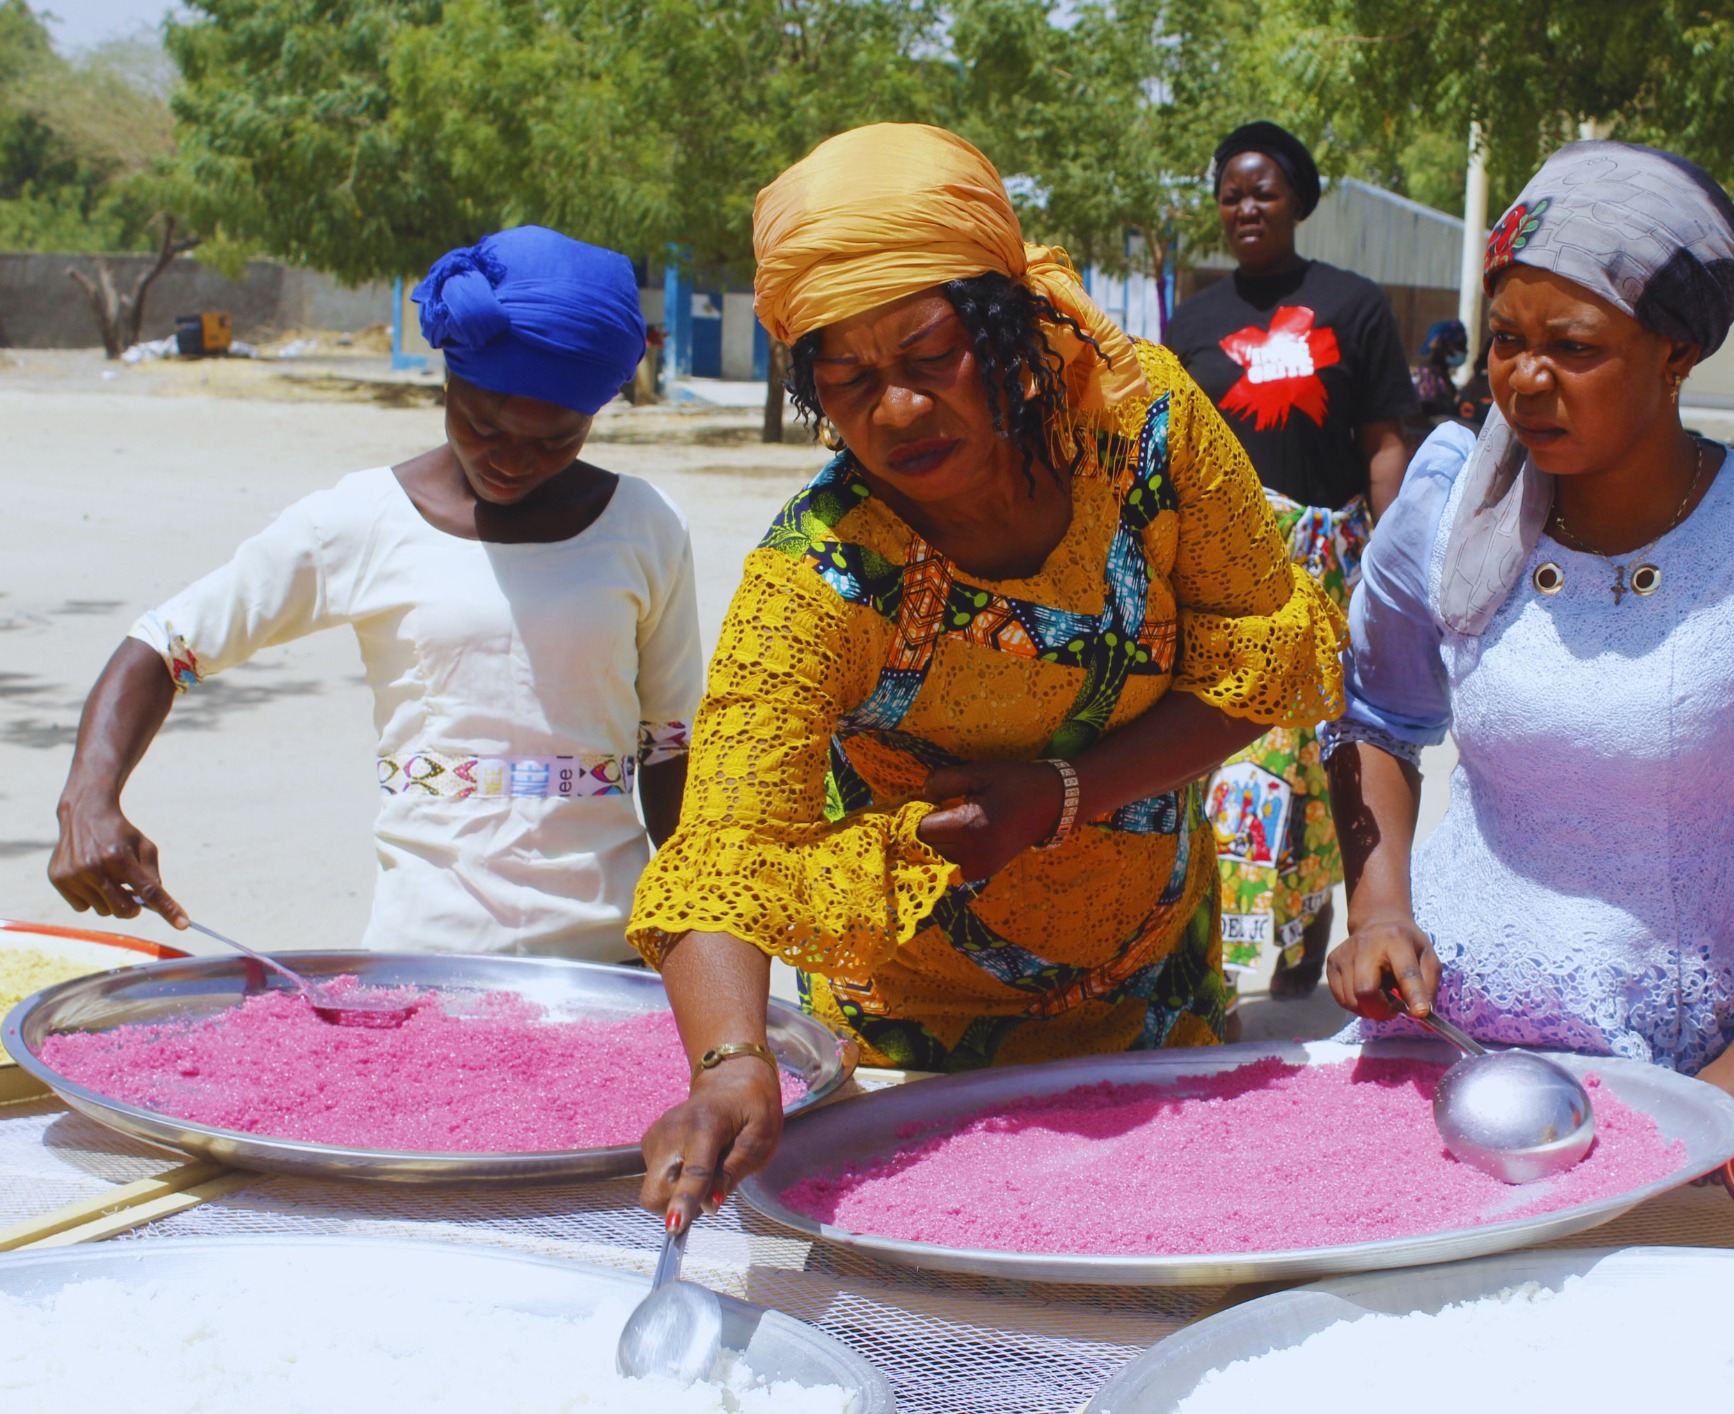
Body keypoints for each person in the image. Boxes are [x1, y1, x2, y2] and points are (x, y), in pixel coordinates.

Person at [626, 123, 1345, 1230]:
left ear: (1004, 327)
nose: (897, 410)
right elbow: (727, 846)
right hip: (906, 1051)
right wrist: (730, 1061)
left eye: (928, 354)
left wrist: (1065, 794)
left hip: (1157, 993)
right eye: (849, 375)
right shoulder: (818, 578)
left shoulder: (1142, 427)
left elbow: (1256, 655)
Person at [1321, 142, 1734, 1114]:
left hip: (1689, 1066)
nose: (1524, 379)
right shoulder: (1453, 501)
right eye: (1503, 339)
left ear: (1677, 352)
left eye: (1573, 348)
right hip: (1442, 1044)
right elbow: (1376, 718)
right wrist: (1377, 907)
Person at [49, 226, 703, 961]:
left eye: (553, 441)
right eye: (484, 427)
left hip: (613, 954)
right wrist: (89, 798)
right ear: (448, 383)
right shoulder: (362, 520)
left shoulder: (645, 526)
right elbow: (166, 644)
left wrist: (692, 939)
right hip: (429, 955)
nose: (513, 462)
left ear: (592, 417)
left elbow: (669, 744)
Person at [1164, 121, 1417, 1003]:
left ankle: (1304, 934)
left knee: (1317, 756)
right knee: (1223, 757)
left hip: (1330, 573)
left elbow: (1385, 435)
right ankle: (1218, 940)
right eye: (1232, 192)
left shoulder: (1353, 305)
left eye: (1263, 190)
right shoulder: (1191, 322)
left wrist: (1392, 559)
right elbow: (1171, 457)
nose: (1246, 207)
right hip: (1227, 580)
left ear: (1299, 201)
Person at [1413, 318, 1468, 421]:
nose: (1464, 351)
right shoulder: (1426, 376)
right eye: (1458, 346)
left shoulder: (1442, 375)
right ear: (1442, 346)